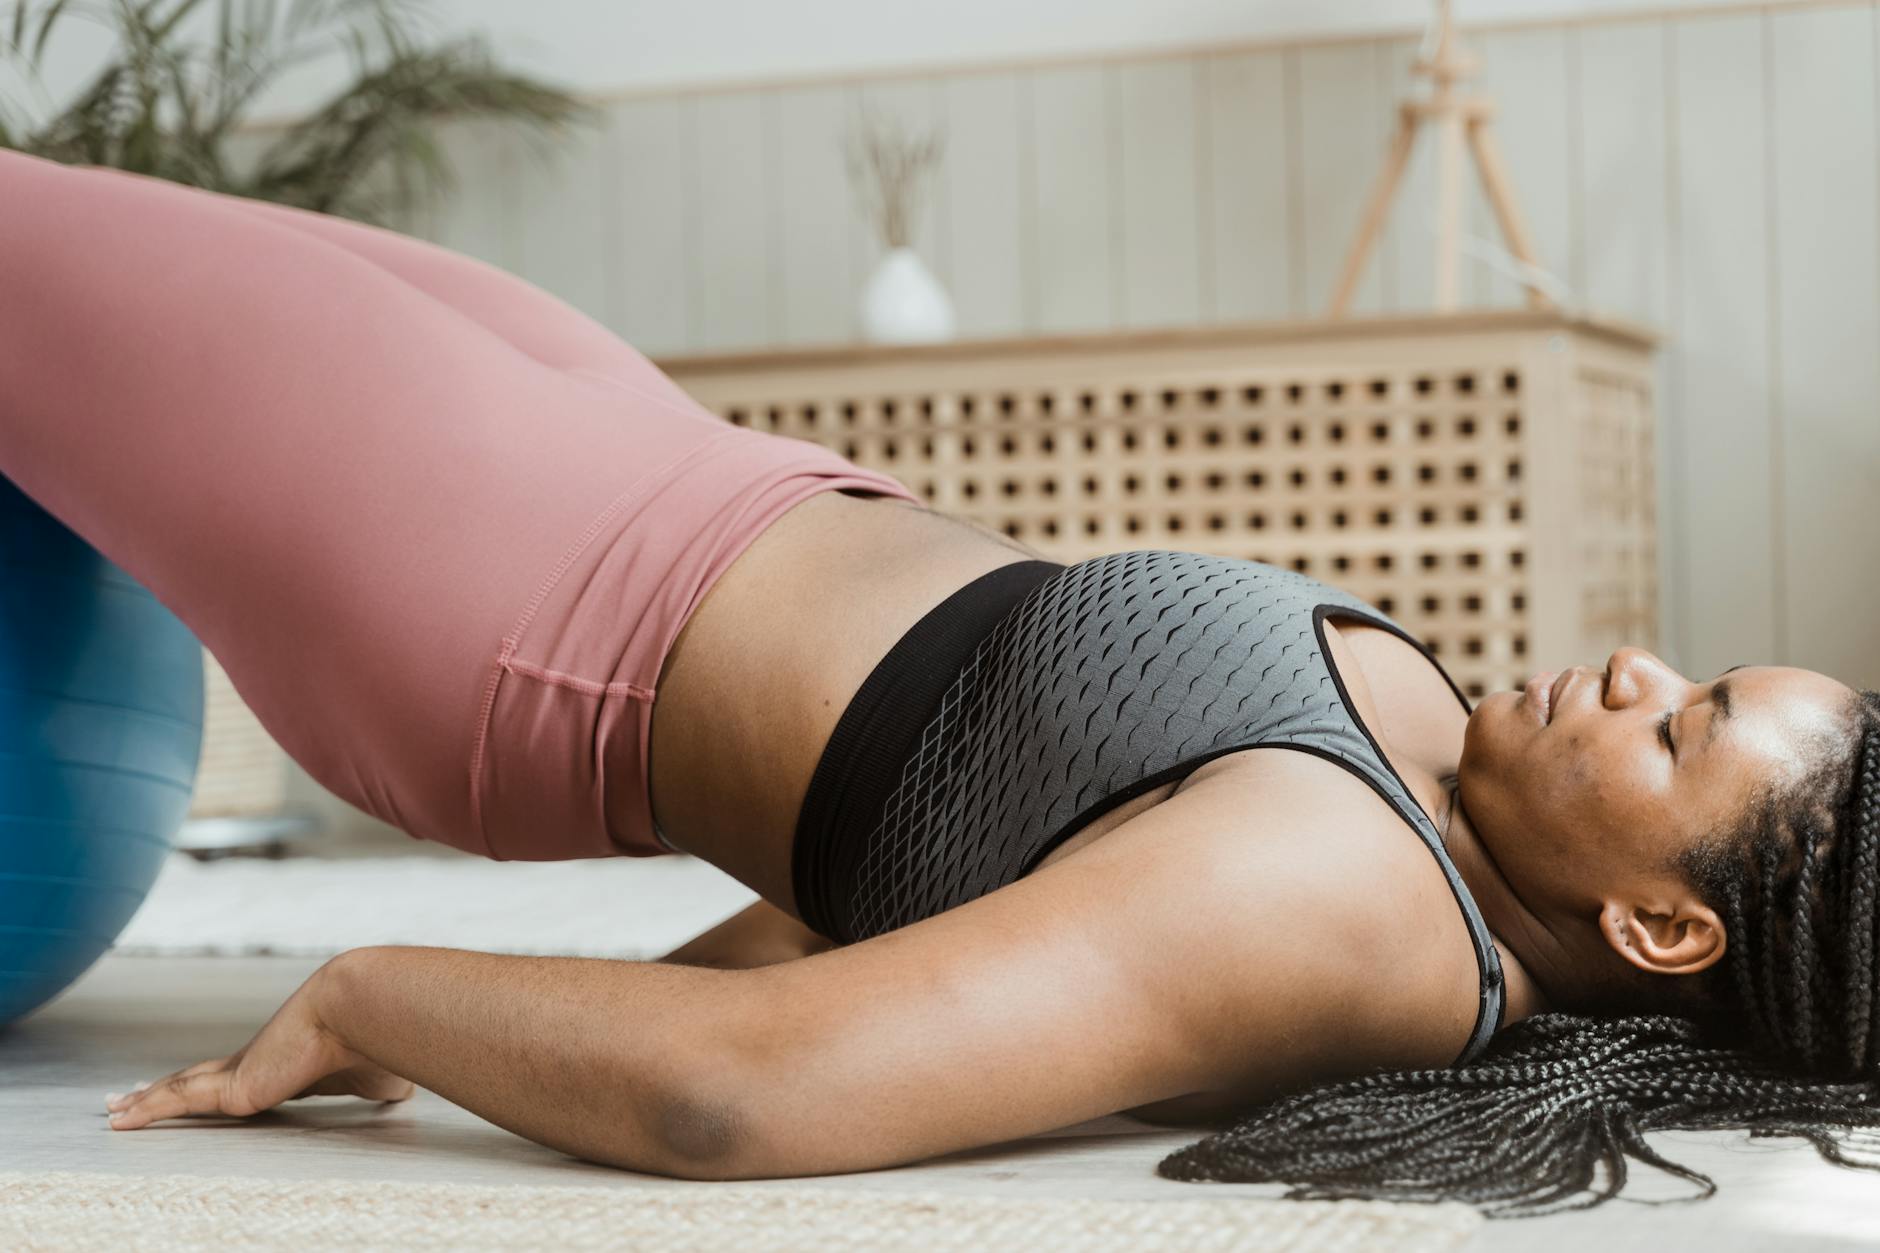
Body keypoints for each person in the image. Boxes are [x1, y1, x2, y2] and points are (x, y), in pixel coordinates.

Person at [7, 147, 1877, 1215]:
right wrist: (556, 1026)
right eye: (1692, 673)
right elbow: (897, 899)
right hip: (633, 469)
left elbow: (740, 1097)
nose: (1640, 667)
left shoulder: (1345, 902)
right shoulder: (1442, 840)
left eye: (1687, 723)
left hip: (513, 579)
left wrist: (372, 991)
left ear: (1660, 935)